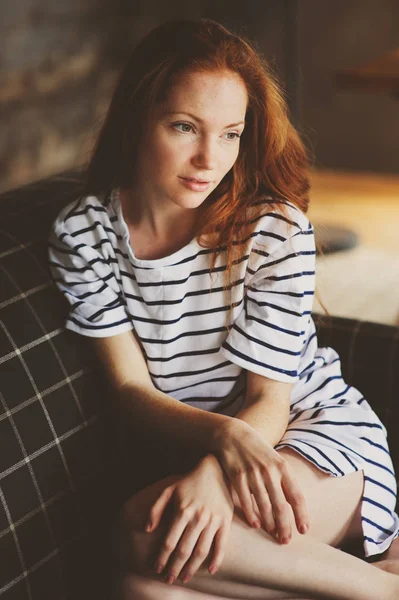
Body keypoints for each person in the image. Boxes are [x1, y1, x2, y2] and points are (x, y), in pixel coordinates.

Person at [47, 18, 399, 600]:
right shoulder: (85, 235)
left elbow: (268, 400)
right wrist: (219, 444)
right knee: (146, 589)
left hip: (316, 435)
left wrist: (218, 467)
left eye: (231, 134)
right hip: (217, 450)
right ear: (139, 118)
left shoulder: (274, 231)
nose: (210, 158)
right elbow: (131, 392)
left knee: (141, 531)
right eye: (185, 126)